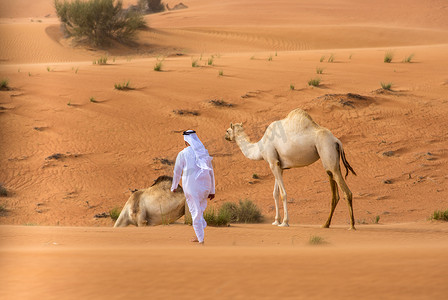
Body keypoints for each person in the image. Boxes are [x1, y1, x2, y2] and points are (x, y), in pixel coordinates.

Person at [171, 130, 215, 245]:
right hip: (206, 186)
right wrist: (212, 190)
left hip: (191, 188)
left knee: (194, 212)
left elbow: (177, 172)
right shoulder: (204, 152)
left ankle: (201, 240)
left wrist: (174, 186)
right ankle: (199, 233)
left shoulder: (183, 153)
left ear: (186, 141)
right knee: (199, 210)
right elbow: (211, 172)